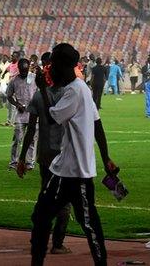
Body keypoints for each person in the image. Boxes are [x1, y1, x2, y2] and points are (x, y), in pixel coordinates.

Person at [25, 43, 117, 266]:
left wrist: (44, 90)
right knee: (41, 216)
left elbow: (50, 118)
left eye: (52, 65)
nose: (49, 70)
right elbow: (98, 124)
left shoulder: (75, 90)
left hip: (77, 172)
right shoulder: (81, 88)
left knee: (88, 222)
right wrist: (105, 157)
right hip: (64, 168)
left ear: (62, 66)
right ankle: (37, 261)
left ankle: (100, 262)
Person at [16, 55, 72, 255]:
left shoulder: (39, 96)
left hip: (45, 155)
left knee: (46, 196)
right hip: (64, 155)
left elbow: (31, 129)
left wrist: (22, 157)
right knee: (64, 202)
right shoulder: (69, 95)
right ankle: (57, 243)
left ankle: (39, 237)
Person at [7, 58, 38, 169]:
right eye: (22, 70)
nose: (24, 73)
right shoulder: (14, 80)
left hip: (33, 114)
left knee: (32, 140)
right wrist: (17, 104)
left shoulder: (35, 78)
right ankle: (13, 162)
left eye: (25, 70)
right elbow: (9, 96)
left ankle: (29, 163)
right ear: (19, 69)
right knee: (17, 139)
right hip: (20, 115)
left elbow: (40, 93)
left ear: (28, 67)